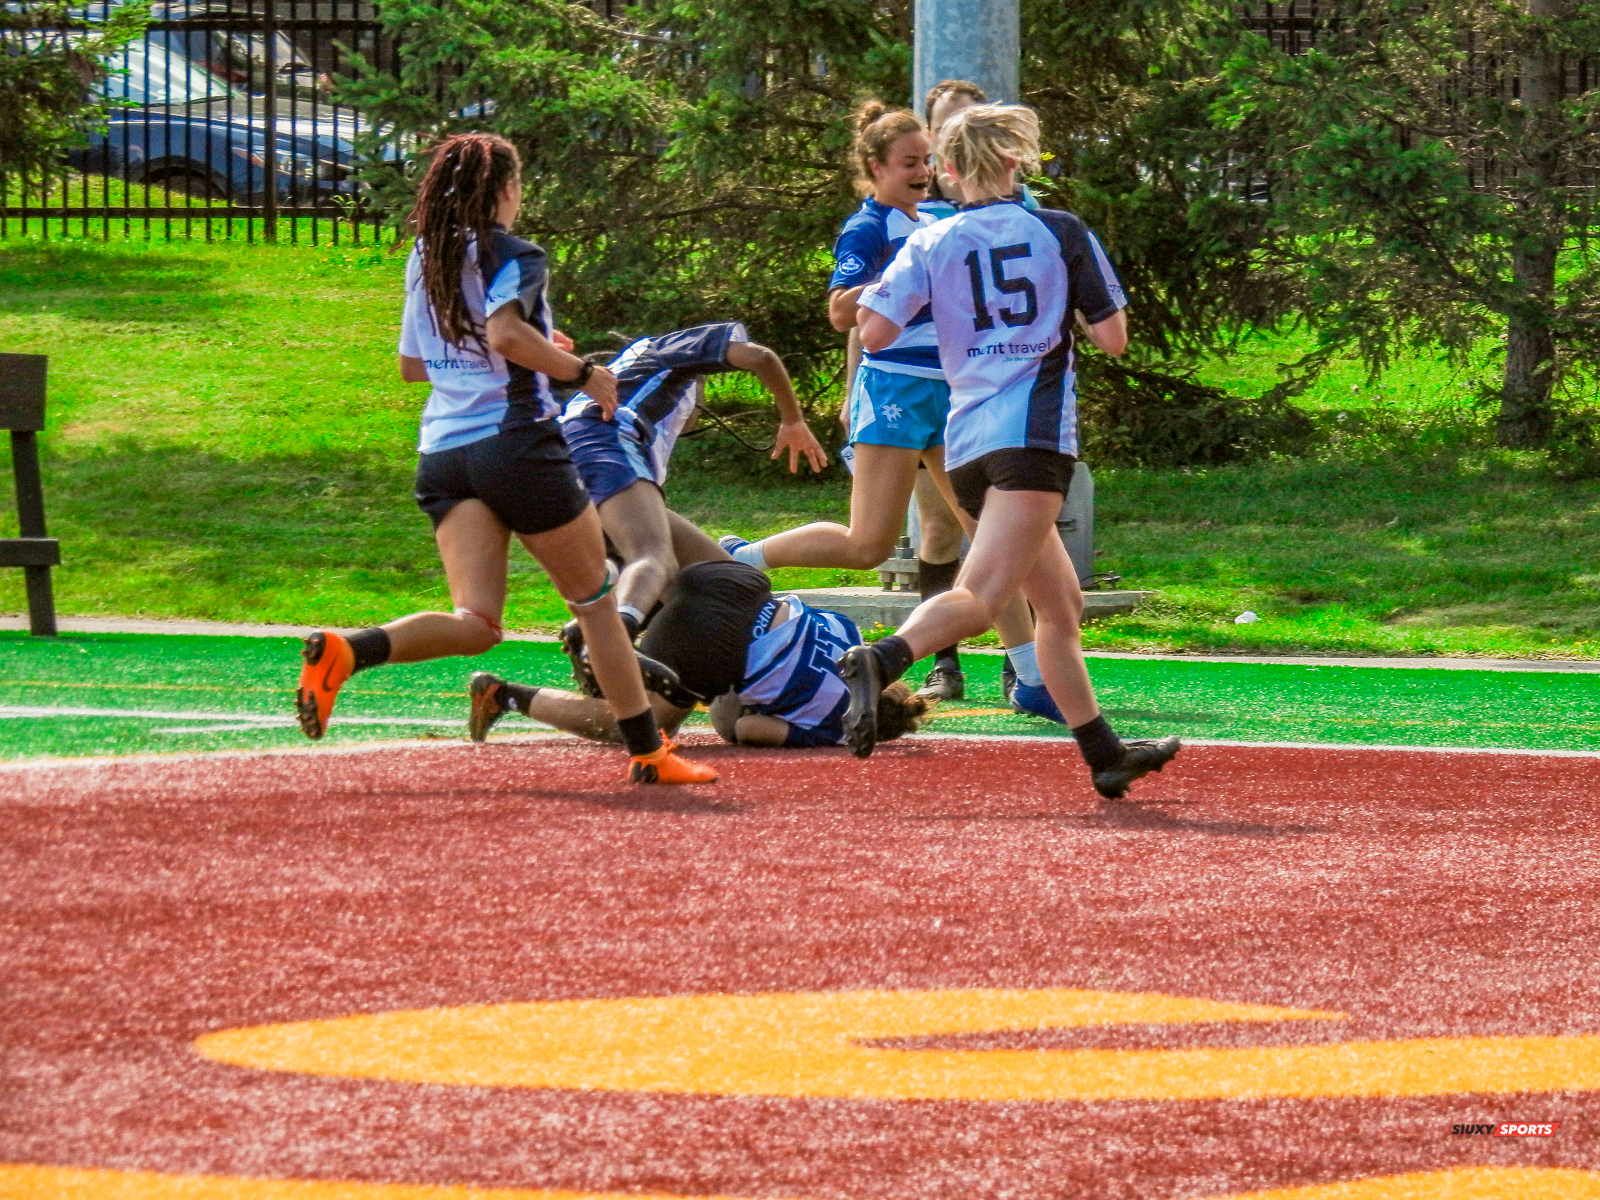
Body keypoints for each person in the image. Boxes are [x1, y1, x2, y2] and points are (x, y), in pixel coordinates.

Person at [292, 131, 715, 786]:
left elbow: (413, 366)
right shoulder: (514, 252)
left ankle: (350, 649)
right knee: (597, 605)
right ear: (509, 190)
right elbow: (505, 334)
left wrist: (537, 345)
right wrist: (581, 371)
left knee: (478, 622)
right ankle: (649, 753)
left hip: (444, 454)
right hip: (515, 444)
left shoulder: (426, 255)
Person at [842, 104, 1180, 798]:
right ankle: (879, 660)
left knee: (1060, 610)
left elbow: (871, 330)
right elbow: (1111, 337)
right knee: (983, 595)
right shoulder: (1057, 230)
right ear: (1015, 162)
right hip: (1032, 439)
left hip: (965, 446)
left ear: (951, 170)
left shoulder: (931, 240)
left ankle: (1105, 754)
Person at [721, 100, 1000, 703]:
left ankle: (1027, 670)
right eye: (908, 163)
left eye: (928, 160)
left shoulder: (938, 216)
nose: (922, 171)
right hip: (896, 388)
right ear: (875, 167)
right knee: (868, 544)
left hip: (951, 390)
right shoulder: (869, 228)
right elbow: (842, 311)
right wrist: (901, 282)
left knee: (994, 536)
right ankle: (743, 557)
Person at [555, 321, 826, 685]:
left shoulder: (639, 422)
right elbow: (761, 357)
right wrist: (792, 420)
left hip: (568, 455)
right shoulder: (669, 351)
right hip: (598, 439)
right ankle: (612, 642)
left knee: (726, 578)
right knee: (654, 557)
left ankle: (598, 637)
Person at [469, 559, 934, 750]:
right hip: (716, 645)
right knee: (638, 724)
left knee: (661, 559)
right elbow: (746, 726)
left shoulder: (854, 638)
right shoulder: (831, 727)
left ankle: (623, 601)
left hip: (738, 585)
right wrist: (734, 715)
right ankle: (507, 695)